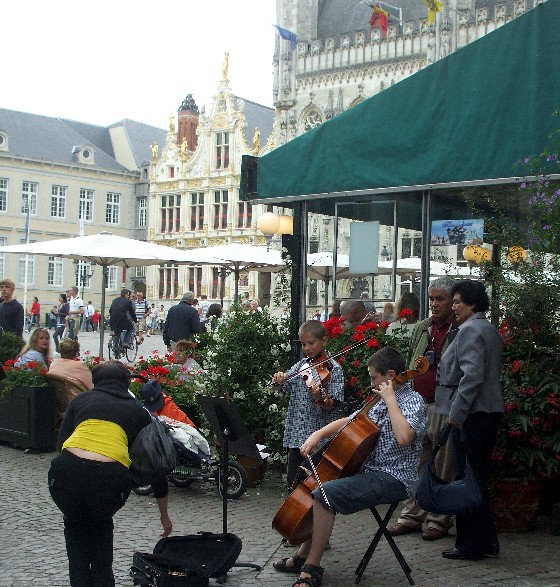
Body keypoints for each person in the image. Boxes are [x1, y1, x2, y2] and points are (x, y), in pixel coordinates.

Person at [273, 347, 427, 586]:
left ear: (390, 374)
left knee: (326, 494)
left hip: (394, 477)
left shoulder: (413, 401)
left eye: (374, 377)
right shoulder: (378, 400)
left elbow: (404, 437)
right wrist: (317, 435)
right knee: (323, 483)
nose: (371, 382)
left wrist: (391, 400)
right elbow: (351, 420)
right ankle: (303, 555)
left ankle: (312, 567)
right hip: (369, 471)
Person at [48, 361, 172, 586]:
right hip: (108, 479)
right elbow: (156, 467)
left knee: (75, 527)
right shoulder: (139, 412)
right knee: (101, 527)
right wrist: (164, 514)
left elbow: (62, 444)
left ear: (96, 381)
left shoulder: (79, 401)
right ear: (127, 383)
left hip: (64, 473)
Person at [436, 280, 504, 561]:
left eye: (457, 302)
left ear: (472, 304)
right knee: (476, 477)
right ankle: (485, 540)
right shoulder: (488, 329)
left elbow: (471, 376)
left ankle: (471, 544)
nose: (453, 307)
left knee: (467, 479)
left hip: (473, 415)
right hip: (487, 412)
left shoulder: (470, 330)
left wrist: (456, 415)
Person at [389, 277, 458, 541]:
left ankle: (438, 520)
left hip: (444, 405)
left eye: (440, 299)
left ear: (453, 301)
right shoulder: (422, 328)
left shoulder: (459, 329)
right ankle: (411, 516)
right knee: (417, 461)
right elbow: (409, 363)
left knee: (443, 465)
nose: (434, 304)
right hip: (419, 402)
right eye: (431, 299)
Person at [272, 320, 345, 492]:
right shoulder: (301, 365)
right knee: (293, 484)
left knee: (315, 487)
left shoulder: (334, 369)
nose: (307, 348)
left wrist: (319, 398)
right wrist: (279, 380)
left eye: (311, 343)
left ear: (324, 341)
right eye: (304, 344)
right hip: (297, 435)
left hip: (318, 438)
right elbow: (284, 388)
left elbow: (332, 406)